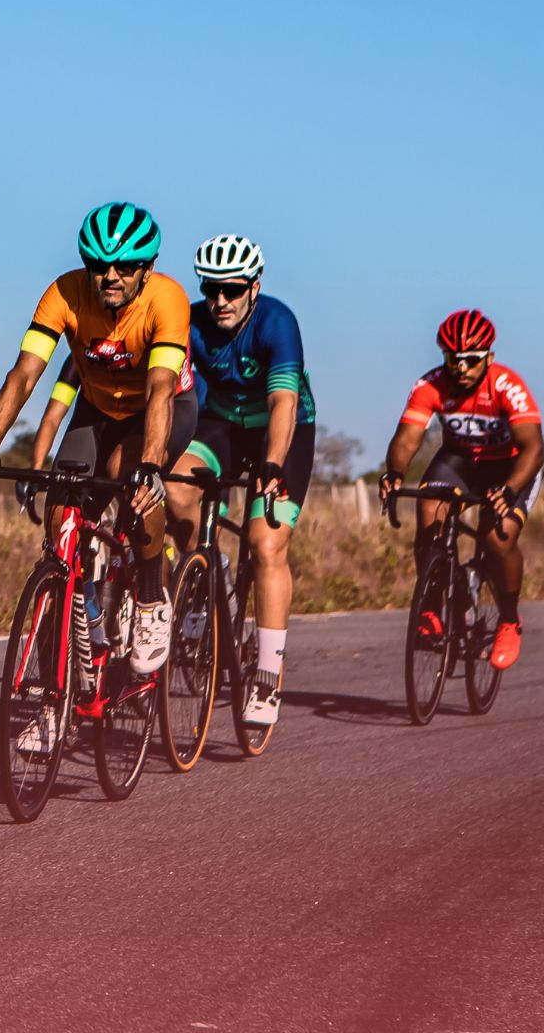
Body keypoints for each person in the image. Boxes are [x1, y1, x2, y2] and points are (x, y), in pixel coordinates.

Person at [0, 202, 194, 695]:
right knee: (60, 524)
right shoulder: (64, 292)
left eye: (124, 267)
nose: (110, 277)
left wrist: (150, 466)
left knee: (131, 477)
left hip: (161, 408)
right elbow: (24, 375)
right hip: (98, 410)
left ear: (147, 269)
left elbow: (161, 388)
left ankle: (149, 596)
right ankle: (61, 675)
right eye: (99, 266)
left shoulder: (168, 299)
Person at [163, 235, 315, 727]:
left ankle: (268, 676)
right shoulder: (191, 320)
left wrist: (272, 464)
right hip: (222, 423)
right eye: (211, 289)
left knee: (266, 543)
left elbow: (283, 403)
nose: (220, 301)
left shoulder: (277, 321)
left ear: (254, 286)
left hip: (279, 429)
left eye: (231, 289)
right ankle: (210, 573)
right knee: (175, 487)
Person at [378, 310, 543, 670]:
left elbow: (534, 448)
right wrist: (393, 474)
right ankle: (434, 606)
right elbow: (408, 439)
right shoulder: (431, 386)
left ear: (489, 358)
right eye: (455, 359)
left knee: (497, 539)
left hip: (510, 465)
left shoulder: (507, 386)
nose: (463, 368)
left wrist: (511, 489)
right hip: (460, 460)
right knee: (428, 514)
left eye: (471, 360)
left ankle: (510, 620)